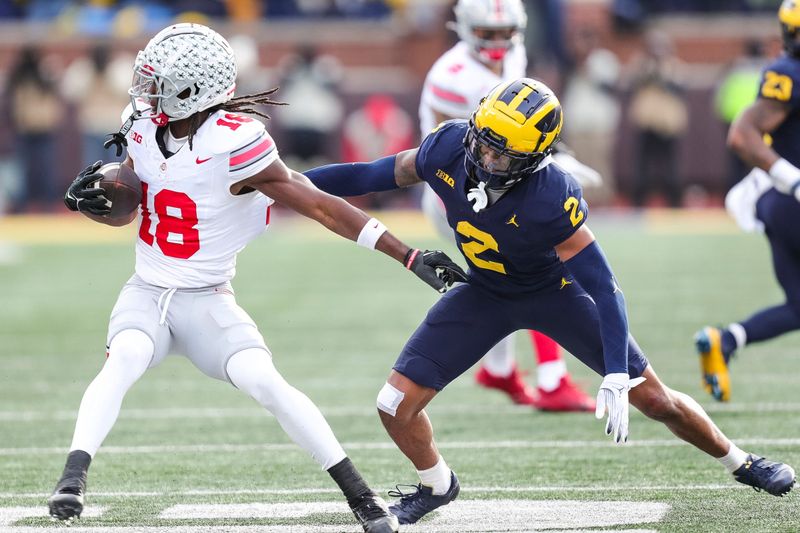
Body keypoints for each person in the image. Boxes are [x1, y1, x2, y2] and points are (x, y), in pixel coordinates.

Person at [305, 77, 796, 525]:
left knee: (655, 399)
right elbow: (369, 174)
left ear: (533, 159)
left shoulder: (550, 194)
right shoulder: (451, 147)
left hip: (552, 293)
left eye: (502, 155)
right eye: (483, 142)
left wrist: (618, 373)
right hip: (486, 291)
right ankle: (437, 484)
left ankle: (741, 461)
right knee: (393, 404)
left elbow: (603, 287)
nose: (484, 159)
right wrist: (284, 181)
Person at [47, 23, 466, 533]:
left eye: (157, 80)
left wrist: (406, 254)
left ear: (191, 91)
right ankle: (72, 480)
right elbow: (132, 202)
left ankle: (363, 499)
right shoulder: (140, 124)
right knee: (124, 360)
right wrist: (94, 202)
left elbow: (322, 207)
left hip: (208, 299)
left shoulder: (235, 143)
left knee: (265, 382)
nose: (143, 88)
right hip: (147, 290)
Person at [417, 0, 599, 411]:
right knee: (538, 266)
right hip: (456, 191)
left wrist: (553, 155)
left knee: (503, 274)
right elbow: (476, 153)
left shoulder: (515, 55)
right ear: (465, 28)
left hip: (499, 187)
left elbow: (521, 130)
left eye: (504, 33)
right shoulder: (452, 75)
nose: (498, 42)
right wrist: (552, 165)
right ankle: (552, 382)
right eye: (487, 33)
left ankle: (499, 371)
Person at [696, 0, 800, 403]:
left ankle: (726, 340)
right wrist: (791, 178)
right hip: (790, 201)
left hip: (779, 206)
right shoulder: (788, 74)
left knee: (797, 306)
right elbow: (742, 134)